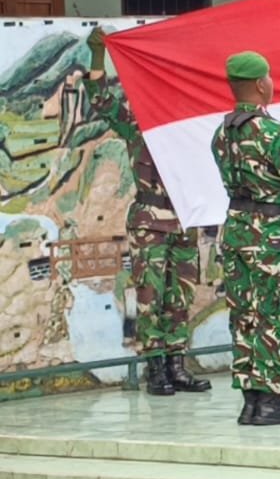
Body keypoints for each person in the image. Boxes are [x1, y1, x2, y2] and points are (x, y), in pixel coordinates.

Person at [81, 27, 211, 397]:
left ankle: (177, 365)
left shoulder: (192, 128)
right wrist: (98, 54)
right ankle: (156, 369)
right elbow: (102, 100)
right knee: (150, 296)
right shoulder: (138, 125)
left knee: (181, 296)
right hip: (150, 223)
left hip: (184, 220)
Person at [211, 51, 280, 426]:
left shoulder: (222, 134)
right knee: (277, 315)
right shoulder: (276, 134)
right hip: (272, 238)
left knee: (245, 315)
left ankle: (251, 401)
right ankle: (272, 400)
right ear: (261, 84)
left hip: (236, 232)